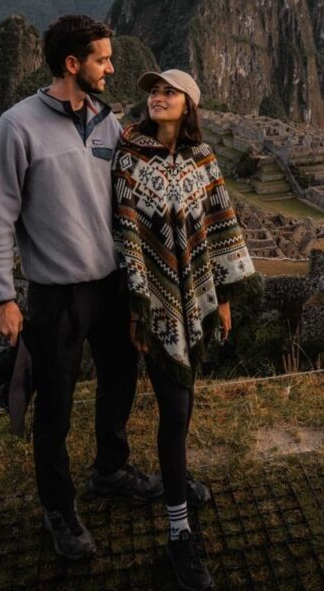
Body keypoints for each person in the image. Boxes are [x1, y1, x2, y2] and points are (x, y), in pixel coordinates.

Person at [0, 15, 162, 561]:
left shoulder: (108, 124)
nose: (112, 67)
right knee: (55, 401)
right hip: (56, 293)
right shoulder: (18, 127)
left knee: (120, 377)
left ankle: (110, 468)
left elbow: (128, 199)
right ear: (72, 64)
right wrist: (1, 298)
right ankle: (59, 507)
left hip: (108, 283)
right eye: (103, 59)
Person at [113, 68, 257, 591]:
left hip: (194, 295)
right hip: (152, 302)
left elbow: (220, 224)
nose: (158, 97)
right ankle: (178, 533)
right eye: (154, 90)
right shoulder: (130, 156)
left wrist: (222, 298)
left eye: (169, 92)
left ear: (188, 105)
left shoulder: (202, 161)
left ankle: (178, 482)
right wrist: (137, 307)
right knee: (174, 410)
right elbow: (127, 232)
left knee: (184, 405)